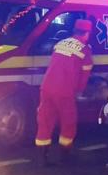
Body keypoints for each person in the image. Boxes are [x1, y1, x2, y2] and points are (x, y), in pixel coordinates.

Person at [35, 19, 93, 165]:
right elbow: (84, 75)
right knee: (68, 122)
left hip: (47, 87)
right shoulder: (85, 49)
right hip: (65, 90)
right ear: (87, 33)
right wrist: (79, 91)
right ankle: (64, 156)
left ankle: (42, 157)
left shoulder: (60, 43)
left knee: (45, 120)